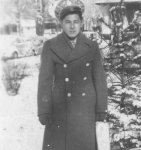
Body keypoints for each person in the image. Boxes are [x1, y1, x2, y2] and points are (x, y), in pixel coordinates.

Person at [37, 5, 108, 150]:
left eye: (76, 22)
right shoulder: (50, 46)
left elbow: (99, 79)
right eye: (67, 22)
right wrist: (44, 109)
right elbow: (45, 81)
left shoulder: (92, 46)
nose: (72, 26)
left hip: (85, 109)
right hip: (60, 109)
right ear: (61, 23)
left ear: (81, 23)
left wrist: (101, 109)